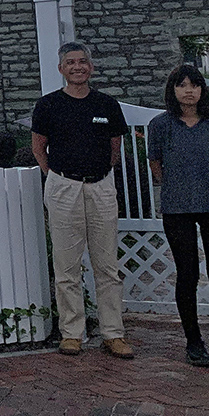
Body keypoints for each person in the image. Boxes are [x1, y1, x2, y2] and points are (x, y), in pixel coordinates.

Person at [31, 42, 134, 359]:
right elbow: (39, 148)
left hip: (101, 186)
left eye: (83, 61)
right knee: (66, 266)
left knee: (107, 266)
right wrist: (56, 177)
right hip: (64, 187)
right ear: (61, 69)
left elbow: (115, 148)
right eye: (70, 62)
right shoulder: (48, 106)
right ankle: (72, 334)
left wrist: (100, 174)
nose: (78, 67)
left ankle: (113, 334)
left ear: (91, 67)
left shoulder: (106, 105)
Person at [147, 64, 209, 368]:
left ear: (202, 90)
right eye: (182, 84)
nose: (189, 90)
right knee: (187, 275)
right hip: (177, 209)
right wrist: (180, 187)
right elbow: (156, 165)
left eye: (195, 84)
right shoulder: (160, 125)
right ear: (172, 90)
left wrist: (206, 184)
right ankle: (194, 342)